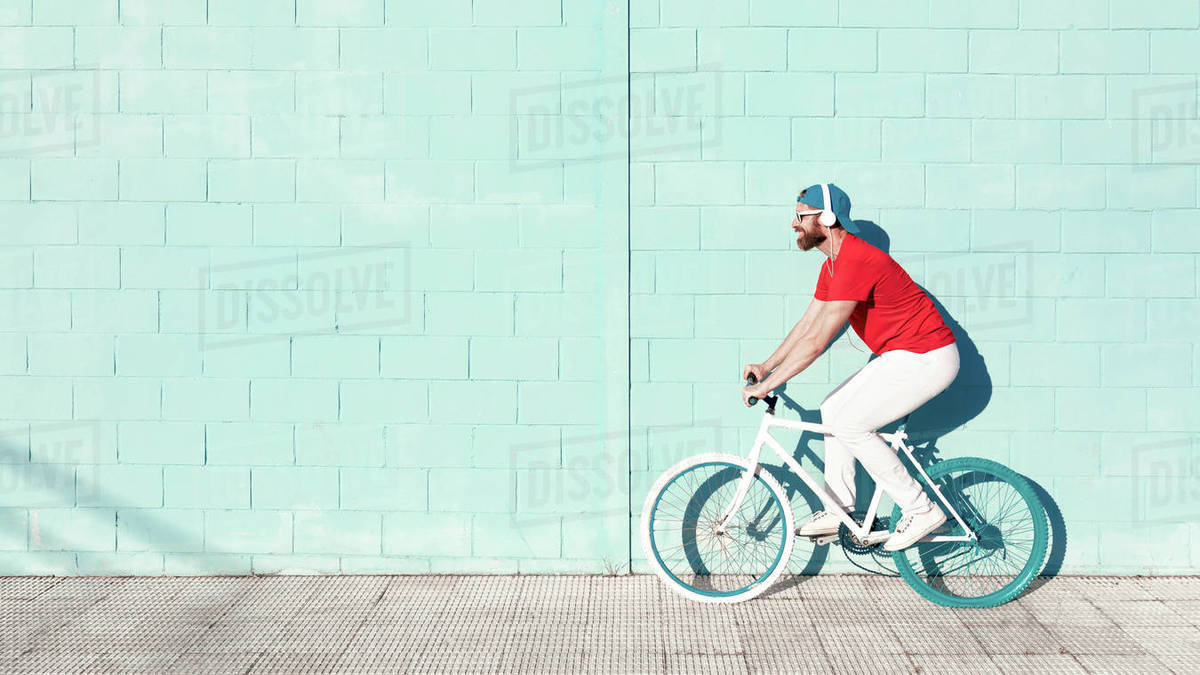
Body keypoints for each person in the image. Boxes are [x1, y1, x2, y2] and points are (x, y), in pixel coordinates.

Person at [739, 183, 960, 552]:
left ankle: (920, 509)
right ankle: (839, 510)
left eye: (800, 216)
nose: (794, 223)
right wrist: (767, 365)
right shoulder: (833, 265)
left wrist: (767, 386)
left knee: (852, 424)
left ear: (825, 219)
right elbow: (807, 325)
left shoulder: (858, 259)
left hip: (928, 357)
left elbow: (817, 342)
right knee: (833, 409)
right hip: (902, 355)